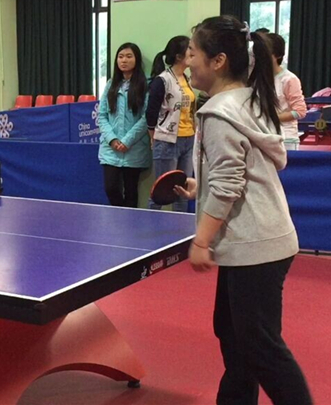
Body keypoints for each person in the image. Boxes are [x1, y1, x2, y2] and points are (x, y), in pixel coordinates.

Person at [176, 16, 313, 405]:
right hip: (259, 241)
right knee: (234, 336)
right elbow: (240, 168)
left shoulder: (219, 112)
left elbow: (229, 185)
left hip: (255, 244)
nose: (188, 61)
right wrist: (199, 186)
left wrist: (201, 241)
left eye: (193, 53)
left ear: (218, 60)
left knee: (260, 348)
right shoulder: (250, 99)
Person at [146, 35, 196, 211]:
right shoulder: (162, 80)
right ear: (179, 56)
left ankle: (180, 226)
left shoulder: (188, 79)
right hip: (167, 141)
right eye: (189, 49)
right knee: (160, 192)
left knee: (183, 191)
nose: (193, 53)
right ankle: (151, 224)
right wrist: (154, 137)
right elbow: (151, 113)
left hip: (188, 139)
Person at [97, 43, 150, 207]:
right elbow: (102, 115)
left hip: (134, 149)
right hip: (110, 149)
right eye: (120, 57)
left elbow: (146, 118)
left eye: (128, 56)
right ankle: (120, 217)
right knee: (111, 188)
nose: (124, 60)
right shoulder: (110, 84)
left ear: (136, 59)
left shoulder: (145, 85)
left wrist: (127, 141)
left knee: (131, 192)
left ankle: (130, 222)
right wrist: (112, 139)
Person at [268, 33, 307, 150]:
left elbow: (300, 112)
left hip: (286, 139)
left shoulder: (289, 79)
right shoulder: (257, 79)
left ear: (277, 55)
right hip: (264, 136)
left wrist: (272, 118)